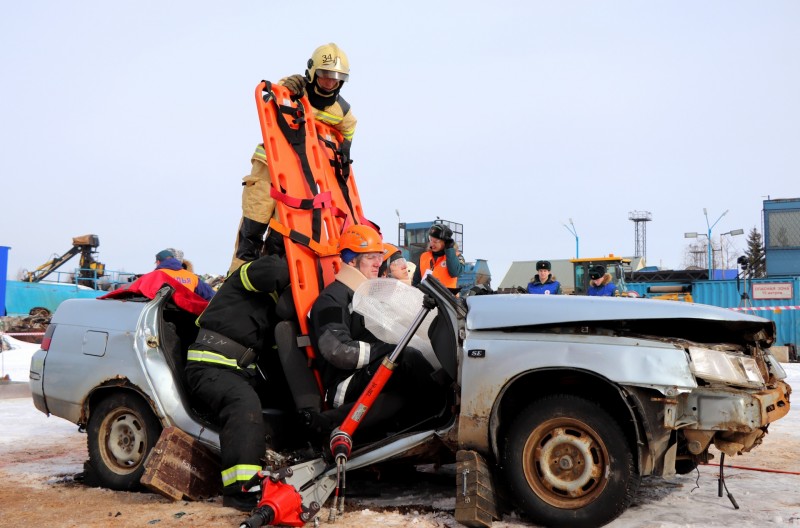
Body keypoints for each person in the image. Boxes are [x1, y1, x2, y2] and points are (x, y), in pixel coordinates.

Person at [229, 43, 357, 275]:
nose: (330, 82)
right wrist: (285, 88)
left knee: (281, 239)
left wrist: (344, 149)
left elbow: (349, 128)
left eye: (337, 77)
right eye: (325, 75)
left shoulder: (341, 110)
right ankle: (235, 285)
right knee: (252, 232)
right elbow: (272, 103)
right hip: (268, 168)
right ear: (312, 72)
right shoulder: (295, 87)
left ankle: (266, 288)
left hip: (299, 180)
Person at [183, 254, 290, 511]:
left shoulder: (273, 304)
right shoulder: (247, 277)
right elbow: (274, 269)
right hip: (209, 365)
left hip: (240, 371)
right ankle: (240, 489)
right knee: (242, 403)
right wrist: (305, 267)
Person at [309, 225, 442, 416]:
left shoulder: (366, 295)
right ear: (352, 259)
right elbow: (338, 351)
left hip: (366, 372)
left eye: (380, 257)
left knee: (419, 354)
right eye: (371, 257)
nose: (378, 263)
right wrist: (391, 349)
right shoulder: (332, 299)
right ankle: (440, 416)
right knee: (407, 358)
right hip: (344, 386)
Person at [411, 224, 465, 294]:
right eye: (430, 240)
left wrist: (449, 250)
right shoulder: (424, 256)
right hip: (427, 300)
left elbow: (455, 272)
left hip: (448, 301)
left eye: (436, 241)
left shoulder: (457, 256)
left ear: (446, 242)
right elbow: (416, 282)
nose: (432, 244)